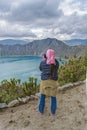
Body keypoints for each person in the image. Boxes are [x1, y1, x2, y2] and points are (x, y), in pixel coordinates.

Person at [38, 49, 59, 115]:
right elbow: (56, 68)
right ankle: (53, 112)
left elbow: (41, 69)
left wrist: (44, 59)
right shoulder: (56, 62)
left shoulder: (43, 62)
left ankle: (41, 111)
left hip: (44, 82)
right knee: (53, 97)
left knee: (42, 96)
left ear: (46, 55)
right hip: (53, 82)